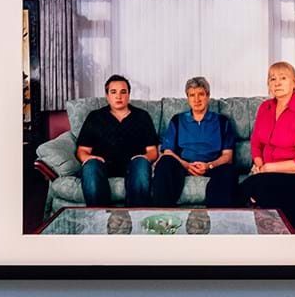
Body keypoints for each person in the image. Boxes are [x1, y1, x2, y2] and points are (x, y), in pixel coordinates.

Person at [239, 61, 295, 234]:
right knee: (249, 188)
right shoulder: (265, 107)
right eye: (272, 79)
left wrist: (268, 168)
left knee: (252, 187)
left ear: (294, 82)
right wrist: (258, 163)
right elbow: (256, 142)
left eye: (283, 78)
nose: (277, 83)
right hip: (269, 174)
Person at [150, 76, 239, 207]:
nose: (196, 99)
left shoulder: (222, 121)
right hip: (183, 165)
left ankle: (217, 220)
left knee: (229, 171)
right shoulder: (177, 120)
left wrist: (209, 165)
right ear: (187, 98)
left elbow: (228, 156)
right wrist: (186, 165)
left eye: (201, 94)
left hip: (213, 166)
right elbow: (168, 151)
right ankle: (165, 216)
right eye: (192, 95)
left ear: (208, 96)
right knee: (165, 162)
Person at [75, 74, 159, 207]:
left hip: (133, 165)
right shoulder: (95, 117)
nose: (118, 96)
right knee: (90, 166)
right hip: (101, 165)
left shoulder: (142, 116)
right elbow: (82, 151)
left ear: (129, 95)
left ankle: (137, 219)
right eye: (113, 92)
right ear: (107, 96)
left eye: (123, 92)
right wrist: (89, 158)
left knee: (142, 164)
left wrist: (144, 157)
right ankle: (101, 220)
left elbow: (153, 151)